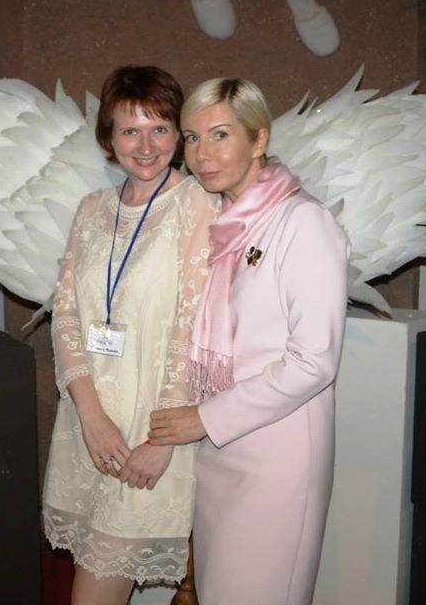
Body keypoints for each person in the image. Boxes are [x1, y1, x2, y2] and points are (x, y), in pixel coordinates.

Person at [148, 78, 350, 605]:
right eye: (192, 138)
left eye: (220, 135)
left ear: (259, 140)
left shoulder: (304, 221)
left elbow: (314, 362)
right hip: (219, 449)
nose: (202, 154)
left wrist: (205, 419)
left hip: (276, 456)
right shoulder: (223, 223)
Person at [43, 65, 219, 605]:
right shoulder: (91, 209)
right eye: (130, 130)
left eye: (159, 128)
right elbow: (65, 315)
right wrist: (90, 415)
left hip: (150, 434)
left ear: (179, 134)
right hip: (88, 428)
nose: (146, 146)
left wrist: (162, 441)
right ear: (108, 137)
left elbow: (195, 329)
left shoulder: (198, 204)